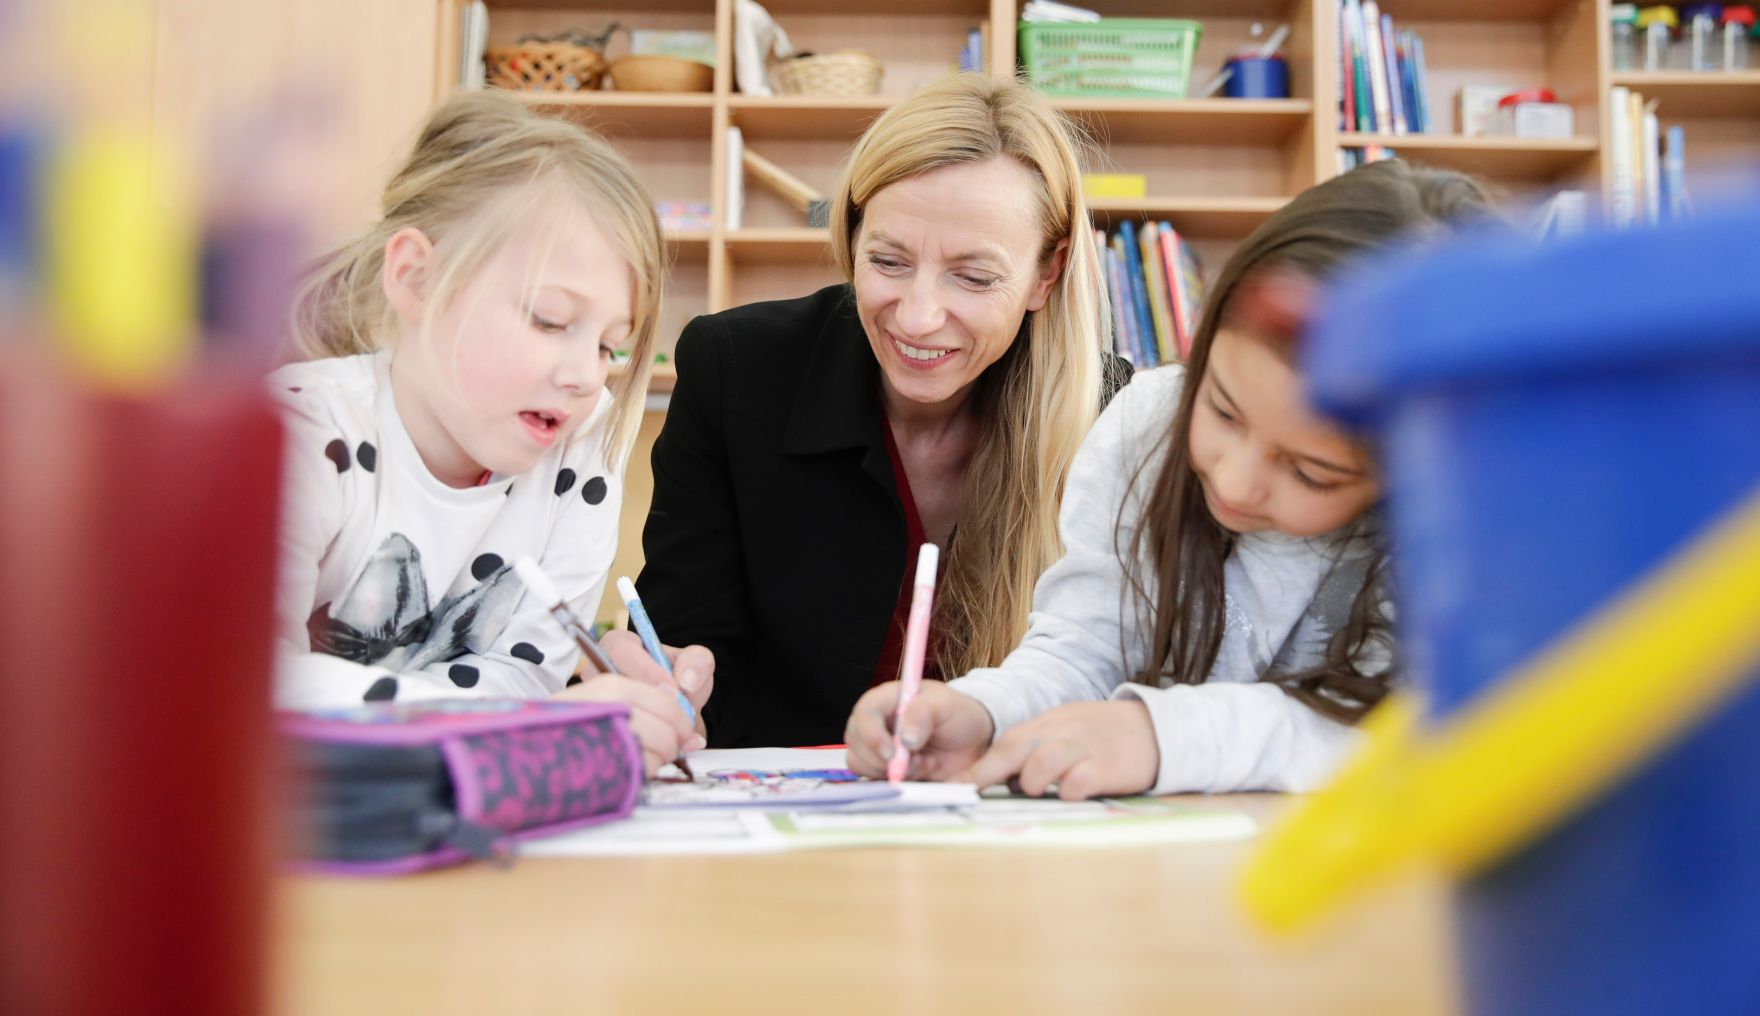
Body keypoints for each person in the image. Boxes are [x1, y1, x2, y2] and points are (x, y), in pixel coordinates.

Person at [845, 160, 1496, 797]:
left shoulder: (1465, 518)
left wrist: (1160, 736)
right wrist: (984, 712)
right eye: (1223, 410)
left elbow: (1419, 729)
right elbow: (1082, 652)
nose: (1235, 483)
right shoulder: (1148, 423)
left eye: (1311, 472)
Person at [637, 73, 1124, 747]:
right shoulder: (736, 369)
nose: (919, 318)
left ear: (1048, 273)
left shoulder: (1109, 412)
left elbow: (1114, 675)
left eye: (974, 277)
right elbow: (682, 641)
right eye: (889, 262)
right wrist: (666, 697)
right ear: (852, 237)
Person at [272, 91, 709, 775]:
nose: (585, 377)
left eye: (609, 346)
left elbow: (526, 676)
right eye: (548, 320)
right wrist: (525, 727)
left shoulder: (581, 444)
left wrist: (559, 712)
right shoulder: (298, 435)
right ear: (416, 280)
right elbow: (243, 683)